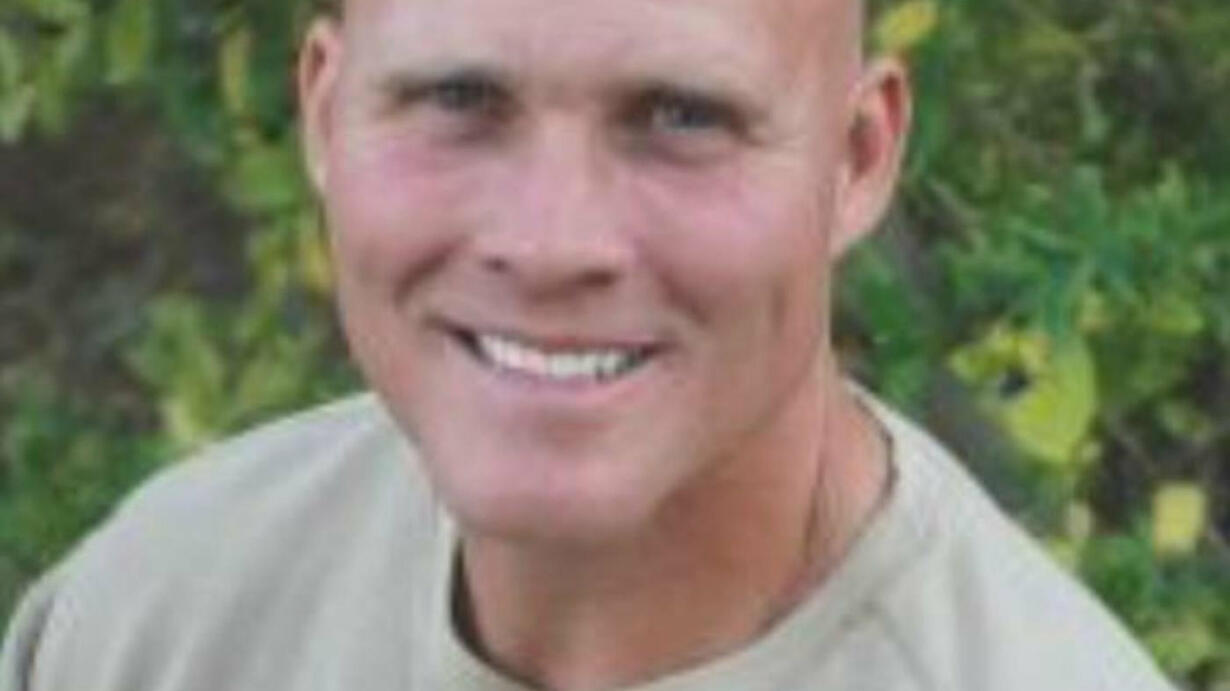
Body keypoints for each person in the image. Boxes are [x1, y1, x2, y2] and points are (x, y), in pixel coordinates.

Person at [0, 0, 1180, 689]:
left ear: (857, 159)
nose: (551, 242)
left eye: (682, 117)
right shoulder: (161, 616)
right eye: (458, 101)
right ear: (324, 113)